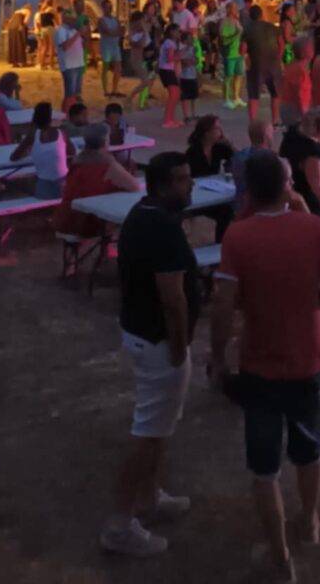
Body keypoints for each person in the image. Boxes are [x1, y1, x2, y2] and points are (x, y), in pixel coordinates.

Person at [209, 150, 320, 583]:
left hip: (260, 362)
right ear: (287, 185)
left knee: (264, 467)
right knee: (309, 449)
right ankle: (310, 519)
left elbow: (223, 305)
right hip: (308, 355)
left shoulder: (238, 236)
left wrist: (217, 357)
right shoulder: (310, 228)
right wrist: (310, 309)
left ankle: (281, 555)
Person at [101, 151, 197, 559]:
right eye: (181, 180)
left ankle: (151, 495)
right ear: (161, 185)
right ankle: (120, 525)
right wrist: (178, 347)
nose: (189, 185)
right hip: (159, 341)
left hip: (145, 334)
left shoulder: (145, 214)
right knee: (147, 432)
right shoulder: (161, 228)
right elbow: (172, 298)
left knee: (158, 427)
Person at [53, 122, 142, 236]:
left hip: (66, 217)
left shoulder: (78, 159)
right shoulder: (107, 163)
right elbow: (134, 186)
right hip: (86, 221)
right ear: (105, 141)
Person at [280, 107, 320, 225]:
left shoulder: (293, 132)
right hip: (309, 205)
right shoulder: (313, 154)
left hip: (290, 199)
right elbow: (317, 187)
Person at [11, 100, 72, 199]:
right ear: (50, 118)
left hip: (44, 187)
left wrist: (29, 152)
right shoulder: (60, 133)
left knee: (28, 184)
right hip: (63, 184)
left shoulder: (32, 136)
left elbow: (14, 157)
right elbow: (72, 151)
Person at [244, 5, 282, 126]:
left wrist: (246, 57)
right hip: (273, 65)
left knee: (253, 95)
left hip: (256, 65)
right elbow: (282, 45)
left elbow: (242, 49)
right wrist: (278, 59)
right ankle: (275, 120)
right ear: (261, 14)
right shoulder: (272, 27)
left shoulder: (248, 29)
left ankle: (253, 122)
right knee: (275, 93)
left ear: (250, 16)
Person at [279, 34, 313, 130]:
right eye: (311, 48)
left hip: (287, 107)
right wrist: (304, 115)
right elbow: (299, 94)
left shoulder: (291, 66)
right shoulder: (301, 70)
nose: (313, 51)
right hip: (295, 110)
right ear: (303, 52)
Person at [53, 9, 86, 102]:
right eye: (73, 19)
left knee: (77, 92)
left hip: (78, 63)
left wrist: (83, 33)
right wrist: (78, 33)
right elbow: (65, 46)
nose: (75, 21)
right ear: (66, 19)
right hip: (68, 65)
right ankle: (67, 111)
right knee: (70, 93)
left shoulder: (73, 30)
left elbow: (83, 45)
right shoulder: (61, 30)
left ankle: (76, 108)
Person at [219, 1, 246, 109]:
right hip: (230, 53)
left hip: (239, 52)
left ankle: (236, 97)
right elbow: (224, 39)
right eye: (234, 8)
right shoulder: (225, 22)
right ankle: (226, 99)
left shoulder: (237, 21)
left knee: (239, 75)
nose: (236, 10)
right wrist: (236, 34)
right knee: (228, 76)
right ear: (229, 9)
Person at [157, 24, 182, 128]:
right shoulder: (169, 43)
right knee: (173, 95)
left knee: (175, 94)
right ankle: (167, 120)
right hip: (166, 70)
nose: (179, 33)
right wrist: (180, 55)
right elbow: (170, 58)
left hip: (168, 70)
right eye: (177, 31)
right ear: (171, 32)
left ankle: (171, 118)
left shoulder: (173, 43)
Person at [98, 0, 124, 98]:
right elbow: (108, 31)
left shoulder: (115, 19)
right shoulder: (102, 20)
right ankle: (105, 89)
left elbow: (120, 30)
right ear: (103, 8)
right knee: (106, 67)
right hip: (106, 46)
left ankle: (114, 89)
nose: (109, 9)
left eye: (110, 7)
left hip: (114, 45)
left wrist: (116, 32)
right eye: (107, 7)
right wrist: (116, 32)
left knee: (118, 67)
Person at [178, 32, 199, 124]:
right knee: (185, 97)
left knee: (194, 96)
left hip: (193, 75)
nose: (192, 40)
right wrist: (190, 61)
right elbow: (183, 63)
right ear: (185, 40)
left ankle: (194, 114)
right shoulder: (182, 50)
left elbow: (196, 61)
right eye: (189, 38)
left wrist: (193, 57)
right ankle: (186, 116)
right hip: (184, 76)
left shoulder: (194, 49)